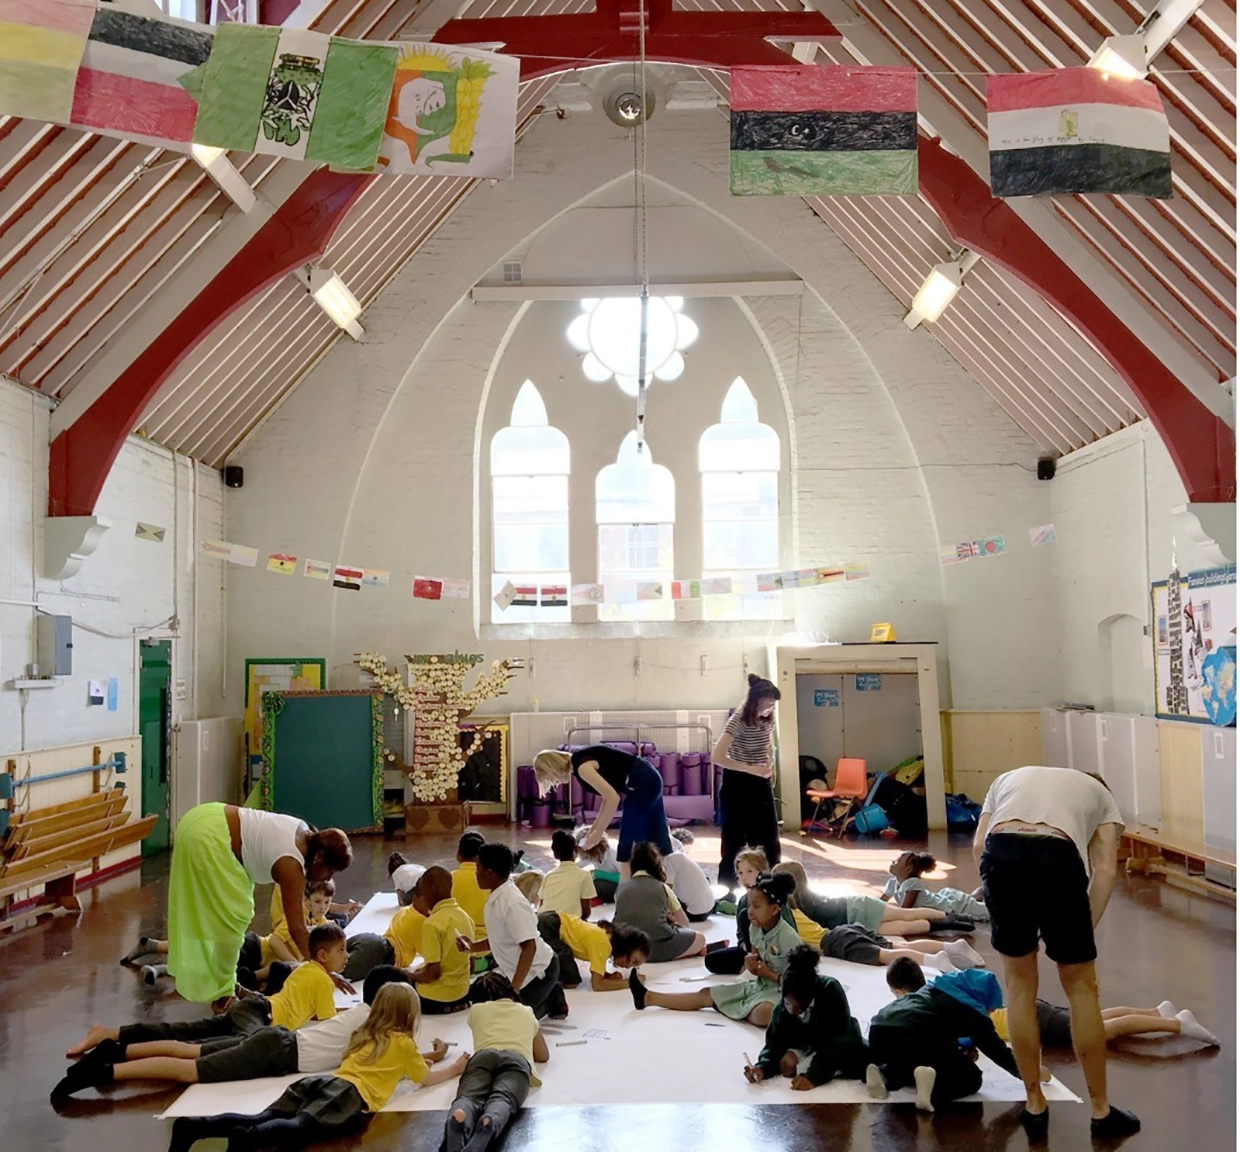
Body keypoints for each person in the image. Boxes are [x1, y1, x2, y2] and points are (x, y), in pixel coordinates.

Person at [975, 765, 1139, 1138]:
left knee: (1019, 987)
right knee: (1082, 989)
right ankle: (1100, 1111)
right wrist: (1081, 936)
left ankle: (1034, 1105)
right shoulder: (1104, 798)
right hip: (1056, 857)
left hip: (1001, 854)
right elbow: (1105, 871)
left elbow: (978, 846)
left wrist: (999, 907)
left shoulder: (1009, 779)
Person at [165, 983, 469, 1152]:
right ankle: (250, 1137)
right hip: (346, 1097)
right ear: (409, 1015)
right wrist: (456, 1067)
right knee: (300, 1128)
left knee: (264, 1116)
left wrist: (418, 1061)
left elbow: (388, 1066)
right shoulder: (404, 1044)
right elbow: (426, 1078)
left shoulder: (366, 1033)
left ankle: (198, 1126)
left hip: (321, 1083)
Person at [52, 966, 421, 1100]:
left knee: (189, 1049)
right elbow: (394, 1063)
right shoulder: (375, 1029)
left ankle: (115, 1051)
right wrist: (428, 1060)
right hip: (275, 1051)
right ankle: (103, 1071)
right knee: (189, 1070)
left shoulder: (362, 1014)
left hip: (276, 1039)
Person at [60, 922, 349, 1088]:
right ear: (323, 955)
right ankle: (112, 1054)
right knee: (201, 1048)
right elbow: (330, 1023)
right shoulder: (322, 981)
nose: (346, 956)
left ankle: (112, 1036)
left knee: (182, 1031)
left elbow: (318, 1010)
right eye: (341, 950)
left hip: (252, 1007)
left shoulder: (306, 968)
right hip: (259, 1017)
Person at [164, 802, 353, 1008]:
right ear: (319, 857)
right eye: (330, 870)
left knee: (223, 917)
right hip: (208, 836)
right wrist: (324, 972)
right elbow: (297, 929)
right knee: (233, 918)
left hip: (204, 817)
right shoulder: (292, 865)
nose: (328, 878)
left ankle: (228, 986)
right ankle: (223, 996)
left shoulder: (304, 832)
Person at [629, 871, 802, 1028]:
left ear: (774, 909)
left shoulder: (789, 938)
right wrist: (751, 964)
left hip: (781, 994)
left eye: (756, 907)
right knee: (706, 994)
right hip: (758, 988)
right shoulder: (755, 928)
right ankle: (648, 997)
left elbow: (802, 984)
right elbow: (756, 960)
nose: (749, 912)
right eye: (749, 905)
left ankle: (737, 1007)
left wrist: (768, 974)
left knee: (764, 1013)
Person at [865, 958, 1020, 1112]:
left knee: (910, 1062)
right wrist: (1027, 1073)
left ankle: (884, 1074)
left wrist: (959, 1052)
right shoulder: (972, 1012)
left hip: (879, 1031)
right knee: (971, 1077)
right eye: (991, 1008)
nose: (991, 1012)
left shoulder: (932, 990)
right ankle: (932, 1092)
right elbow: (998, 1051)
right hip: (916, 1032)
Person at [455, 843, 567, 1020]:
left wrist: (513, 990)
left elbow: (529, 947)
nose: (476, 873)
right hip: (517, 969)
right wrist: (473, 947)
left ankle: (553, 996)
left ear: (490, 873)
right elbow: (500, 938)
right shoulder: (496, 895)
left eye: (478, 869)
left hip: (540, 971)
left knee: (517, 1020)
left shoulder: (512, 904)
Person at [443, 972, 549, 1152]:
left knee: (468, 1097)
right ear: (510, 991)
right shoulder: (526, 1011)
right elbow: (543, 1055)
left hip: (483, 1056)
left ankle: (460, 1115)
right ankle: (489, 1120)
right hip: (516, 1060)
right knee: (503, 1098)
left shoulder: (477, 1010)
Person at [745, 945, 868, 1089]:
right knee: (786, 1065)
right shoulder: (783, 1007)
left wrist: (813, 1077)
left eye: (798, 1007)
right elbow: (774, 1043)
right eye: (787, 1003)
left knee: (858, 1062)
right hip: (807, 1043)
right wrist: (762, 1068)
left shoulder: (830, 991)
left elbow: (836, 1043)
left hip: (837, 1042)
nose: (792, 1010)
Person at [533, 744, 674, 870]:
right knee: (657, 832)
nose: (556, 782)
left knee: (628, 841)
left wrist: (598, 834)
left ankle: (627, 884)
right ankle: (667, 877)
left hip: (642, 782)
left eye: (551, 778)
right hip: (650, 777)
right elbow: (606, 800)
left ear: (553, 768)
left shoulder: (582, 767)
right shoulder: (580, 760)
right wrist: (593, 831)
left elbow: (613, 798)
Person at [773, 860, 975, 938]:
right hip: (855, 922)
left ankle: (950, 916)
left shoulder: (802, 904)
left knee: (905, 915)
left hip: (857, 907)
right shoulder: (795, 904)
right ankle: (947, 924)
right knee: (903, 928)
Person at [714, 675, 781, 887]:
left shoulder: (767, 720)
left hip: (760, 783)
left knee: (769, 841)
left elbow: (768, 744)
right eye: (768, 703)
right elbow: (717, 756)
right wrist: (749, 768)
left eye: (773, 704)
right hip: (736, 783)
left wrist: (768, 761)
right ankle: (727, 888)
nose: (771, 708)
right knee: (733, 841)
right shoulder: (738, 721)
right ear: (756, 701)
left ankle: (770, 885)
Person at [991, 998, 1221, 1049]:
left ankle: (1177, 1024)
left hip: (1034, 1023)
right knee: (1097, 1018)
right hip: (1030, 1011)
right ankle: (1157, 1013)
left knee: (1103, 1030)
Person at [705, 847, 794, 975]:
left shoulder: (774, 897)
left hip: (776, 951)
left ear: (761, 871)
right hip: (752, 950)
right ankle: (751, 965)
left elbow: (790, 928)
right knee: (711, 960)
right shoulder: (743, 900)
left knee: (744, 915)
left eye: (749, 871)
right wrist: (745, 947)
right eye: (740, 873)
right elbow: (740, 934)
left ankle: (762, 968)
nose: (744, 877)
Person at [614, 842, 706, 962]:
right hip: (657, 948)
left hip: (627, 949)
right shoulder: (662, 887)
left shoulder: (621, 888)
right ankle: (688, 952)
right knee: (700, 938)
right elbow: (684, 923)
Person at [410, 866, 477, 1015]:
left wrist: (410, 975)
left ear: (432, 891)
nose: (422, 899)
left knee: (397, 983)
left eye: (422, 894)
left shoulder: (432, 923)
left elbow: (432, 974)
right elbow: (472, 966)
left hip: (434, 998)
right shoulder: (466, 918)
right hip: (462, 993)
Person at [343, 870, 431, 981]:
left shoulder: (405, 911)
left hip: (371, 939)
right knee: (343, 970)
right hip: (384, 954)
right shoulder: (420, 921)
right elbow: (430, 956)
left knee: (335, 953)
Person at [537, 914, 651, 991]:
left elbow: (597, 972)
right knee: (571, 980)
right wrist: (631, 983)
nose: (628, 966)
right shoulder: (603, 943)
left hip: (551, 922)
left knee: (570, 973)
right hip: (549, 928)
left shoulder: (607, 937)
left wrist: (606, 976)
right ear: (628, 946)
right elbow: (597, 985)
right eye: (633, 961)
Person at [882, 851, 989, 920]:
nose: (893, 862)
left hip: (953, 908)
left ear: (908, 869)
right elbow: (881, 902)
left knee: (990, 913)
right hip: (945, 900)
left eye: (897, 861)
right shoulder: (892, 883)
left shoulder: (912, 883)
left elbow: (904, 911)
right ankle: (984, 890)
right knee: (970, 900)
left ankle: (990, 889)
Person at [539, 829, 597, 920]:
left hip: (545, 922)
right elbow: (586, 912)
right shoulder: (584, 875)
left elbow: (542, 905)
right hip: (570, 923)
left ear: (555, 855)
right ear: (576, 850)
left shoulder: (548, 876)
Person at [661, 843, 716, 922]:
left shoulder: (669, 860)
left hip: (694, 913)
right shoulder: (679, 855)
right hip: (709, 908)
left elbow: (667, 891)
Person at [452, 831, 490, 933]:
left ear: (458, 855)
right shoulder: (493, 880)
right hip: (488, 938)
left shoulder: (447, 879)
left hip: (456, 938)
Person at [575, 830, 620, 901]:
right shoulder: (591, 855)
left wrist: (600, 874)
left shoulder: (614, 853)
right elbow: (577, 866)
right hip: (610, 884)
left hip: (623, 887)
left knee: (596, 885)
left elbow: (628, 878)